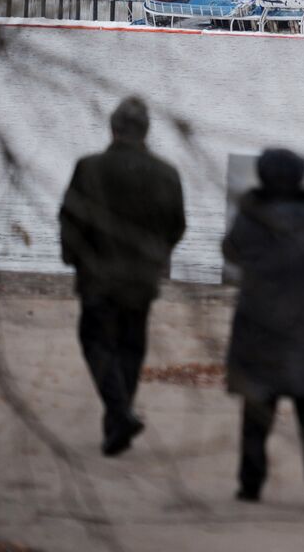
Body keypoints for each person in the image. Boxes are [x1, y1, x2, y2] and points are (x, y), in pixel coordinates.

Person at [223, 148, 304, 513]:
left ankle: (250, 484)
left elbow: (231, 253)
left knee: (257, 409)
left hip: (260, 323)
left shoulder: (249, 219)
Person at [59, 97, 186, 456]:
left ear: (112, 129)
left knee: (96, 342)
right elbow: (177, 225)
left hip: (97, 274)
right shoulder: (166, 173)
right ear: (146, 131)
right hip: (141, 278)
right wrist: (158, 255)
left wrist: (74, 257)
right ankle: (119, 422)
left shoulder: (89, 168)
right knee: (130, 346)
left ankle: (118, 415)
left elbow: (70, 219)